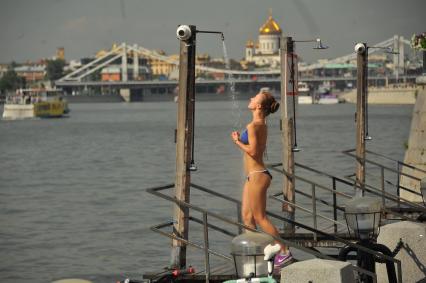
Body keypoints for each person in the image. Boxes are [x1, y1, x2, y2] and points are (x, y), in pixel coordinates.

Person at [231, 89, 293, 269]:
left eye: (254, 98)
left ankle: (284, 251)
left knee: (260, 217)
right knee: (247, 217)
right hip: (253, 176)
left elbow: (254, 152)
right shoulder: (259, 123)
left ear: (258, 106)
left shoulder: (254, 126)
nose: (250, 98)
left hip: (258, 175)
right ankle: (254, 254)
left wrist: (236, 141)